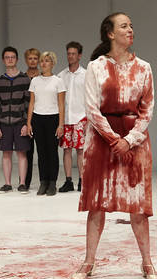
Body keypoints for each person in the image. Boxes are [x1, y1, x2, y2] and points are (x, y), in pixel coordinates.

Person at [72, 12, 157, 279]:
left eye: (131, 25)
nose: (130, 29)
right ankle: (88, 261)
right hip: (102, 141)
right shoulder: (96, 67)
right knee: (97, 205)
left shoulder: (144, 67)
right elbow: (92, 109)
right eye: (124, 26)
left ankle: (147, 261)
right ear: (110, 33)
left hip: (135, 142)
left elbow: (147, 109)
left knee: (138, 207)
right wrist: (113, 141)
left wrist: (129, 140)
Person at [0, 47, 31, 194]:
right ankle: (7, 184)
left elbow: (28, 104)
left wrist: (27, 123)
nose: (10, 59)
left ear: (17, 59)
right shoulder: (0, 81)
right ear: (3, 60)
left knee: (21, 153)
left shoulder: (24, 79)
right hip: (4, 123)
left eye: (12, 57)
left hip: (20, 122)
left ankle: (22, 184)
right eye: (7, 57)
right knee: (6, 153)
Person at [26, 51, 65, 196]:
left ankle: (52, 182)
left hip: (53, 118)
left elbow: (61, 105)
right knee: (41, 152)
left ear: (52, 63)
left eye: (47, 61)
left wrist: (61, 124)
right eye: (42, 61)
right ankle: (43, 182)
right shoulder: (35, 81)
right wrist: (29, 123)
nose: (43, 63)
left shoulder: (58, 81)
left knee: (52, 152)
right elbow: (31, 103)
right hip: (38, 118)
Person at [57, 41, 87, 193]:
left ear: (79, 55)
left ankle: (82, 180)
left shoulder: (86, 74)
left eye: (73, 53)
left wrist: (89, 119)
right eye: (68, 53)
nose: (70, 56)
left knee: (81, 151)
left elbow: (91, 97)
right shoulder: (61, 76)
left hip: (81, 118)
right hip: (66, 118)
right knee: (66, 150)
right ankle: (68, 180)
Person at [23, 48, 41, 189]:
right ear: (26, 60)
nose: (33, 61)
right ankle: (25, 182)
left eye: (35, 58)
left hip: (40, 117)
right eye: (30, 58)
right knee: (27, 152)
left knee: (42, 152)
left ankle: (44, 181)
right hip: (25, 118)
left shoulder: (43, 77)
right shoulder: (22, 78)